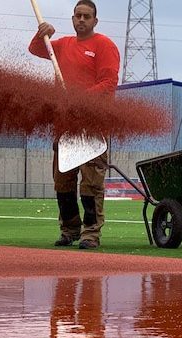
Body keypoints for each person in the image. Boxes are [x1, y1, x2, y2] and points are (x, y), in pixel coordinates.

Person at [29, 0, 120, 250]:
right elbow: (36, 49)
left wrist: (80, 99)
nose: (81, 20)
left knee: (90, 184)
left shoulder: (104, 45)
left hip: (92, 127)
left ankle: (91, 233)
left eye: (86, 16)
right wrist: (43, 33)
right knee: (63, 182)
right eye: (78, 16)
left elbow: (109, 83)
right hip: (65, 126)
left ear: (95, 21)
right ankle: (69, 230)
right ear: (72, 19)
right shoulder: (63, 45)